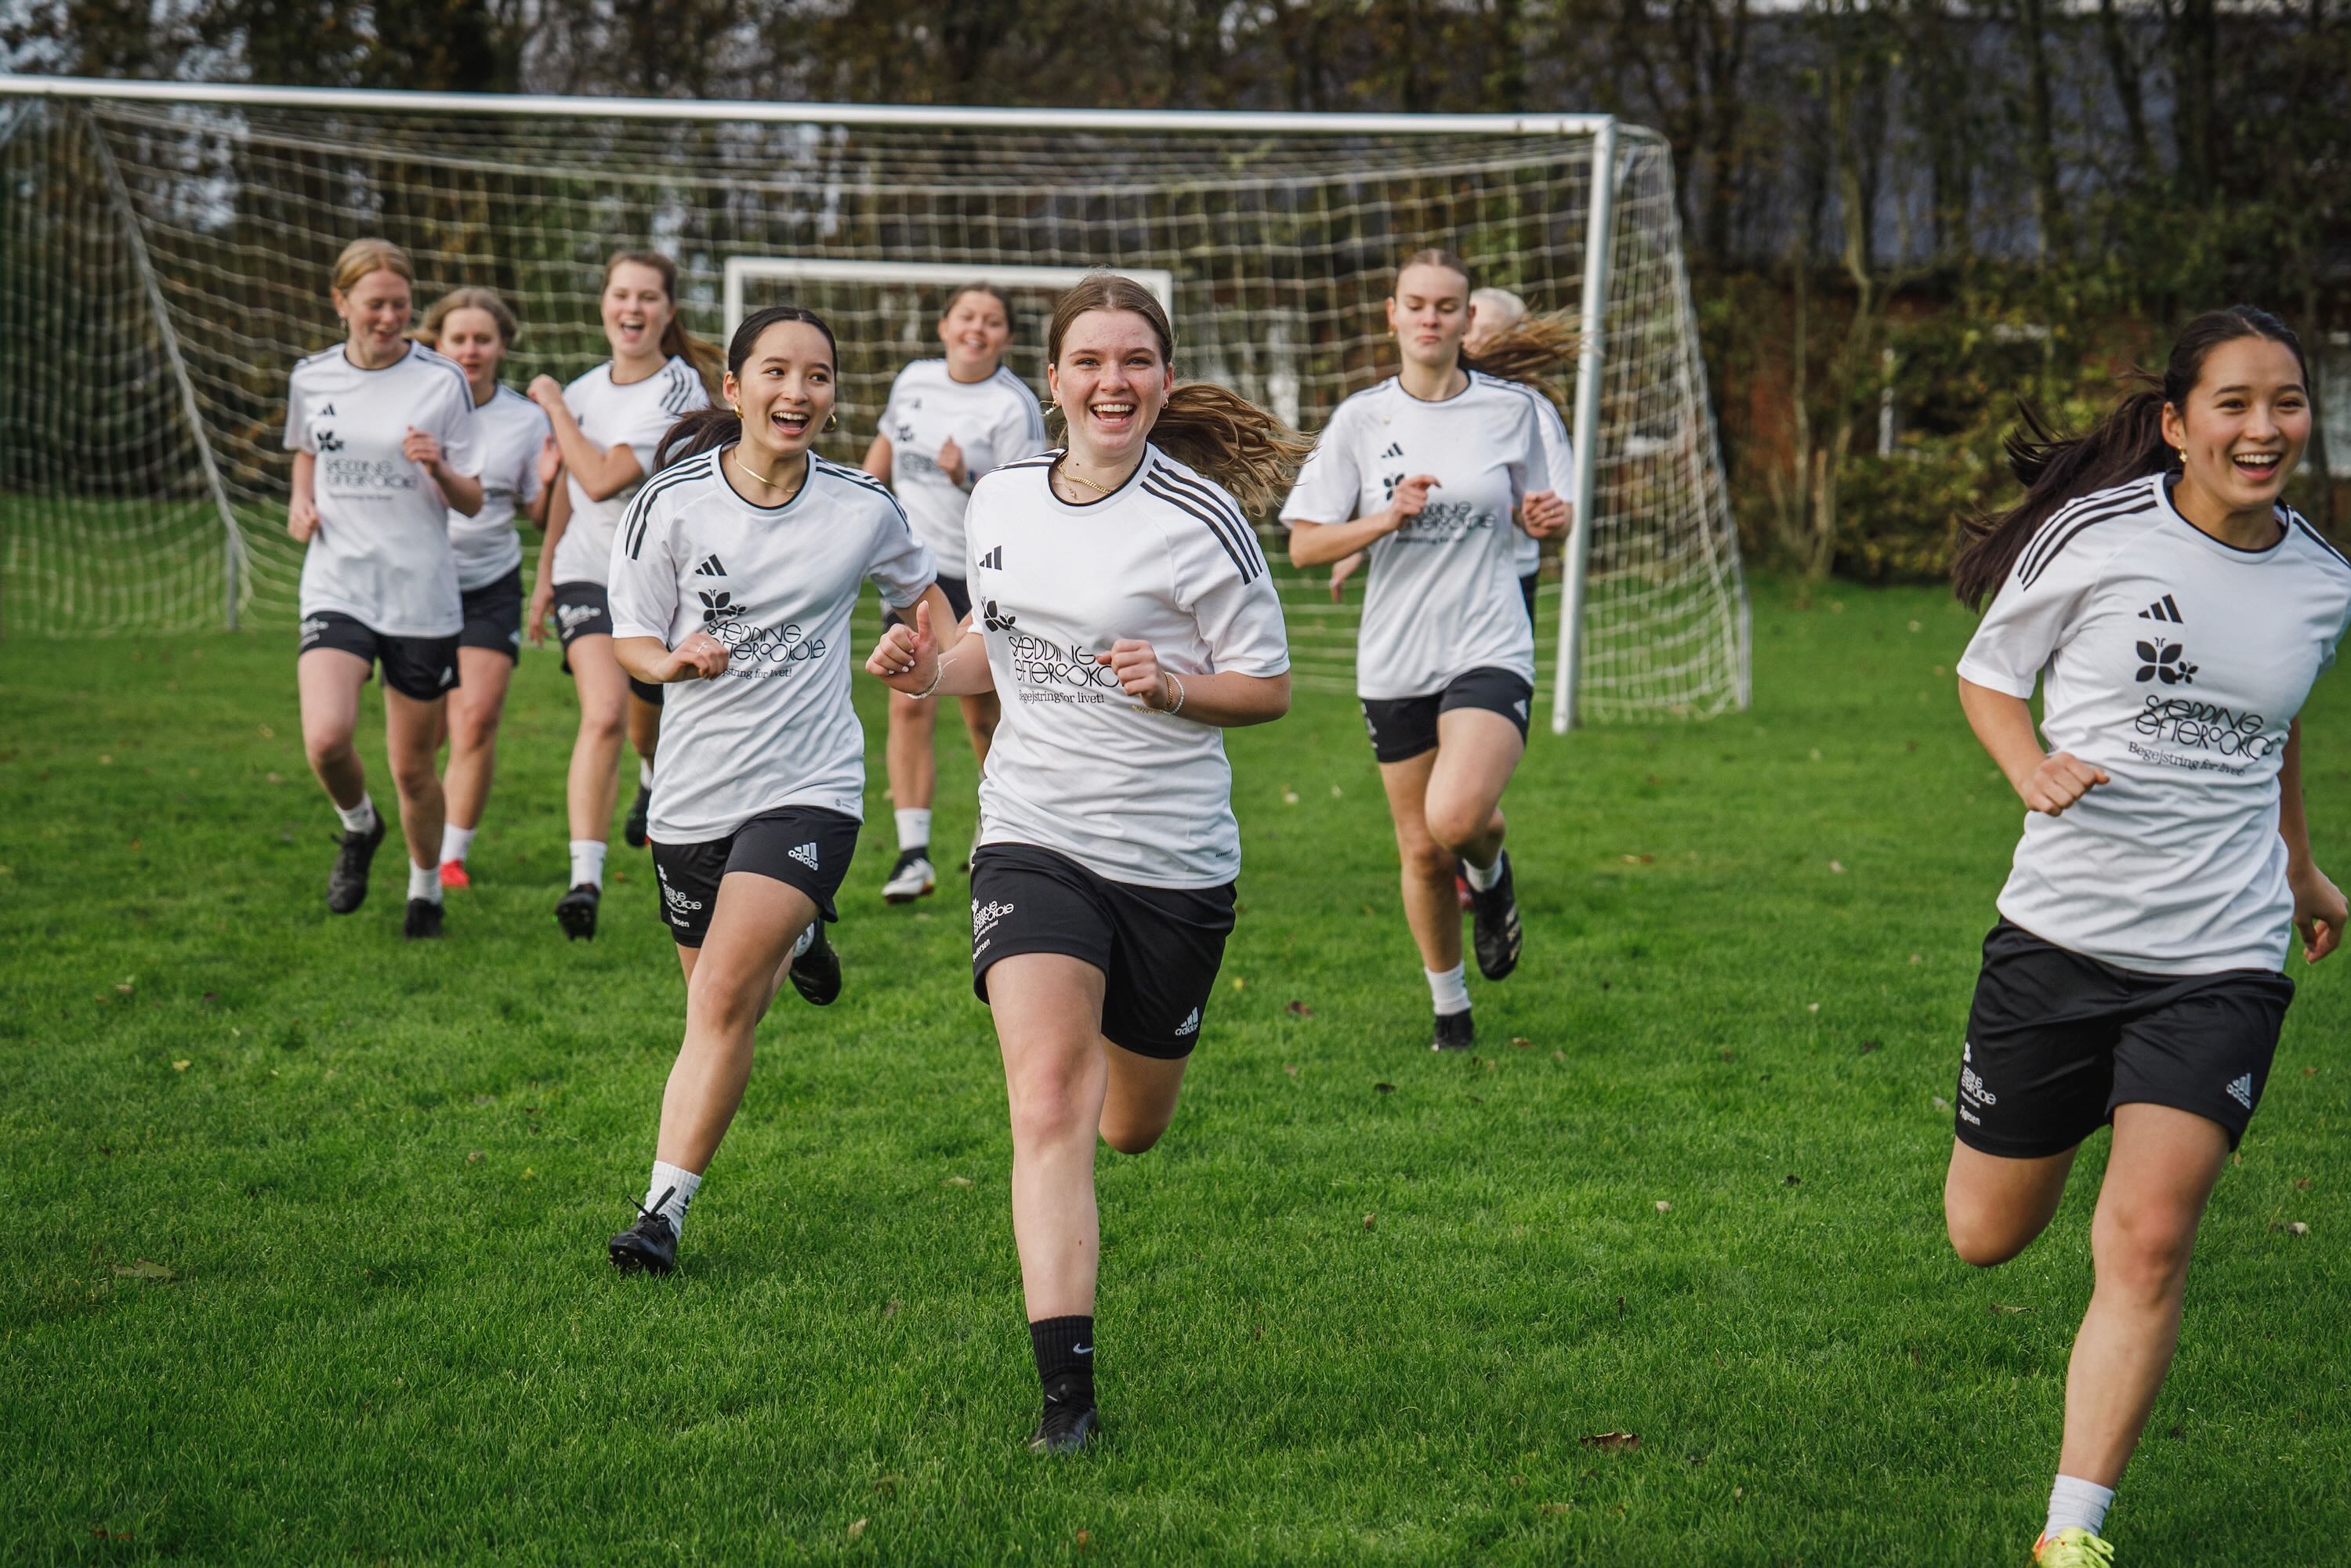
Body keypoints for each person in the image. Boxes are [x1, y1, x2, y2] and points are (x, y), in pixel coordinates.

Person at [1942, 306, 2349, 1568]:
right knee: (1986, 1231)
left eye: (2287, 402)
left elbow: (2273, 725)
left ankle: (2073, 1533)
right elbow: (1988, 674)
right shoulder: (2095, 535)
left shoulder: (2324, 579)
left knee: (2150, 1237)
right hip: (2061, 935)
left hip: (2222, 953)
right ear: (2177, 424)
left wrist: (2299, 866)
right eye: (2234, 403)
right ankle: (2078, 1100)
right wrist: (2029, 766)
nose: (2265, 428)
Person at [867, 273, 1301, 1454]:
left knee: (1131, 1127)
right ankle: (1067, 1400)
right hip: (1032, 833)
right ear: (1052, 382)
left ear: (1164, 378)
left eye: (1137, 361)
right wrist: (927, 668)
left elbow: (1268, 687)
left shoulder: (1200, 520)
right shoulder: (1003, 497)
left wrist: (1175, 687)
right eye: (1091, 362)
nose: (1115, 381)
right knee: (1050, 1097)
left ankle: (1132, 1053)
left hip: (1170, 860)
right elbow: (987, 649)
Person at [602, 305, 953, 1278]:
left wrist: (920, 646)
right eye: (777, 372)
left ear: (833, 397)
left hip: (810, 787)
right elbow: (628, 638)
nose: (798, 392)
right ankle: (801, 937)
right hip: (692, 798)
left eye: (818, 377)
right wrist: (670, 662)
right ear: (735, 387)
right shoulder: (669, 504)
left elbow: (925, 602)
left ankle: (661, 1214)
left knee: (721, 995)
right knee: (723, 1012)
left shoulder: (863, 506)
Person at [1281, 249, 1572, 1050]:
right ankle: (1451, 1011)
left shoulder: (1516, 410)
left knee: (1456, 817)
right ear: (1393, 314)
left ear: (1467, 317)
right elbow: (1304, 545)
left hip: (1489, 639)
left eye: (1447, 306)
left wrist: (1544, 518)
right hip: (1395, 655)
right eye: (1416, 304)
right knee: (1418, 848)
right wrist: (1383, 519)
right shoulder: (1361, 419)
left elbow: (1550, 509)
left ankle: (1490, 871)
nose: (1431, 319)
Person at [283, 237, 483, 940]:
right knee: (326, 738)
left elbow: (472, 499)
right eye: (376, 304)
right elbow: (306, 450)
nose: (390, 317)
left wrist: (439, 467)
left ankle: (425, 891)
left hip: (419, 595)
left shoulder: (443, 381)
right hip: (337, 581)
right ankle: (359, 824)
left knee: (412, 768)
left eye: (401, 304)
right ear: (341, 302)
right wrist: (301, 501)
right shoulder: (311, 377)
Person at [526, 251, 718, 940]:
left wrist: (553, 406)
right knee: (602, 713)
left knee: (647, 716)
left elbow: (603, 476)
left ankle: (649, 774)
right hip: (585, 570)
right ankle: (584, 880)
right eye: (621, 295)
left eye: (647, 297)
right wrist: (545, 573)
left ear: (668, 311)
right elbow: (569, 493)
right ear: (604, 303)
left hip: (657, 579)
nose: (632, 308)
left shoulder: (678, 388)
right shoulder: (583, 389)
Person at [862, 283, 1049, 902]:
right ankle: (912, 854)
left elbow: (1026, 504)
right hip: (914, 573)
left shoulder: (1013, 405)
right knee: (908, 699)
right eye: (967, 316)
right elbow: (882, 455)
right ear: (943, 326)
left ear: (1007, 337)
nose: (977, 328)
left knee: (982, 712)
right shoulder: (913, 380)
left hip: (982, 574)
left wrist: (965, 475)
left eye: (992, 321)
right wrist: (855, 505)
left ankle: (998, 820)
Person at [415, 287, 554, 889]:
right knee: (428, 732)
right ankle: (421, 833)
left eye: (483, 339)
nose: (470, 350)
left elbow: (538, 515)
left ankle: (451, 856)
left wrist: (548, 481)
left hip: (490, 583)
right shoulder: (413, 406)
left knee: (475, 720)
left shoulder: (526, 419)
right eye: (459, 339)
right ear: (437, 344)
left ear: (502, 346)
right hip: (418, 584)